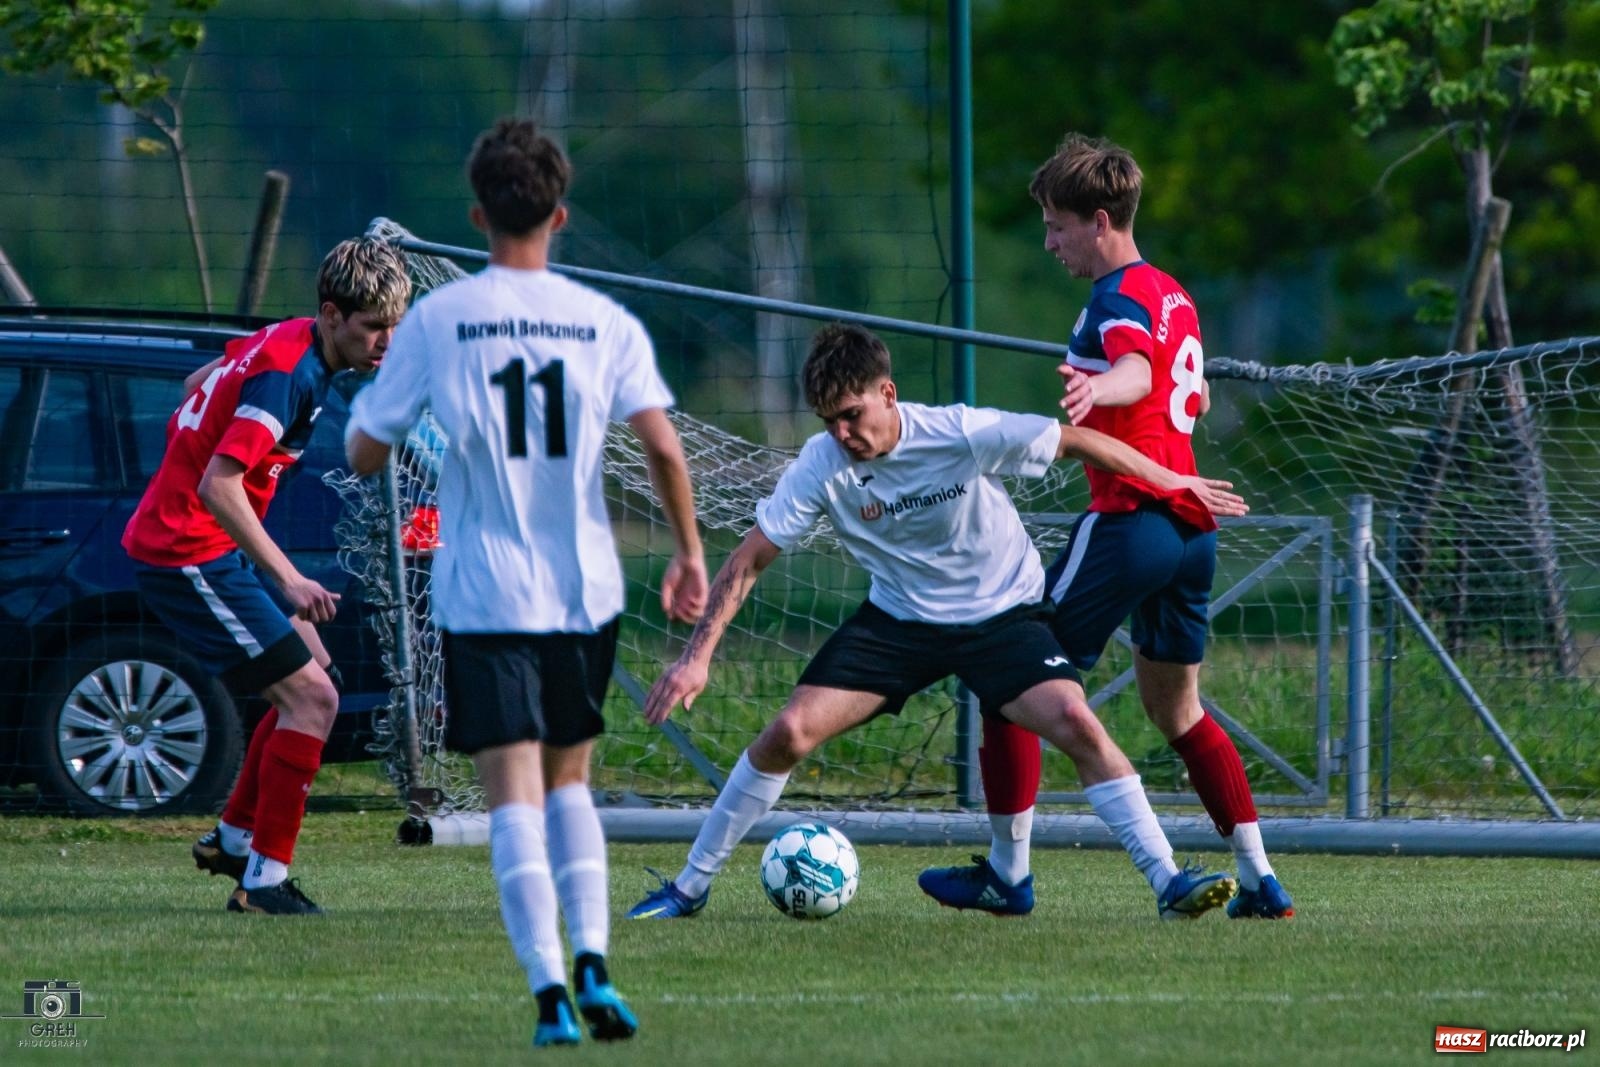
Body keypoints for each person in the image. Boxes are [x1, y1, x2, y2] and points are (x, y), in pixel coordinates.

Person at [626, 322, 1247, 924]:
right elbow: (750, 556)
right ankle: (688, 888)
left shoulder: (958, 431)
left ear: (887, 394)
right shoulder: (821, 463)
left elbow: (1076, 440)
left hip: (1003, 615)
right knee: (788, 731)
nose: (842, 433)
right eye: (829, 422)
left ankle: (1168, 881)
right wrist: (696, 657)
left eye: (852, 415)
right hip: (901, 622)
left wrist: (1174, 481)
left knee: (1078, 724)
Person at [344, 118, 707, 1048]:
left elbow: (367, 446)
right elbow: (664, 446)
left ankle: (549, 987)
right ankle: (595, 956)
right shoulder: (600, 320)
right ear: (561, 213)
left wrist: (382, 426)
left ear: (477, 214)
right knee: (571, 786)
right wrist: (688, 552)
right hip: (582, 589)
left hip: (483, 591)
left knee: (509, 794)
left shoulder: (439, 317)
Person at [918, 133, 1294, 920]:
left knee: (1009, 672)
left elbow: (1139, 368)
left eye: (1056, 226)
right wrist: (1113, 385)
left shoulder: (1116, 297)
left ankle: (1006, 873)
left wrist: (1100, 393)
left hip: (1133, 520)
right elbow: (1154, 365)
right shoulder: (1171, 290)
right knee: (1177, 710)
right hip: (1193, 534)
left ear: (1099, 219)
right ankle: (1260, 880)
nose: (1050, 243)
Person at [124, 237, 410, 917]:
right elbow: (218, 484)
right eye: (373, 327)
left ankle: (232, 840)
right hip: (185, 549)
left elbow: (199, 386)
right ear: (333, 313)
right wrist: (290, 581)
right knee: (313, 700)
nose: (386, 342)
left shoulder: (284, 340)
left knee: (312, 685)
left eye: (395, 327)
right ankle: (262, 881)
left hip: (204, 548)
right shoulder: (292, 375)